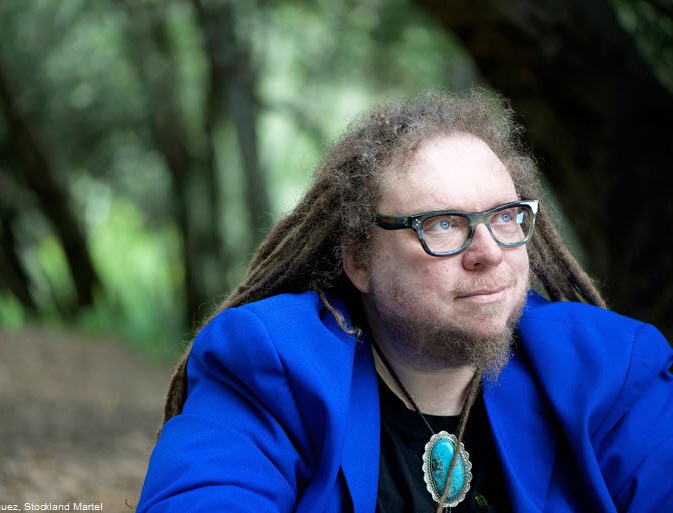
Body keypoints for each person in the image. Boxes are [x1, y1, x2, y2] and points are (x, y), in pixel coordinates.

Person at [137, 89, 673, 513]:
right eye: (442, 224)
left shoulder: (612, 368)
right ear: (359, 260)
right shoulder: (273, 366)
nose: (489, 252)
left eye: (506, 217)